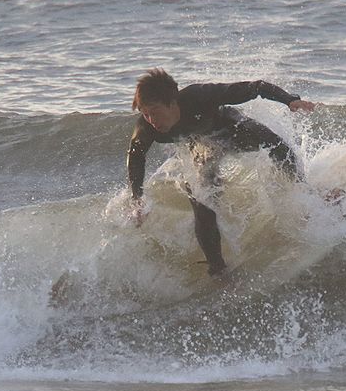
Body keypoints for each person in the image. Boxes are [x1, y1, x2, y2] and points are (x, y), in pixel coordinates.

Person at [127, 68, 315, 276]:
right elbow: (136, 157)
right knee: (201, 200)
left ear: (172, 102)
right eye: (145, 114)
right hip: (202, 146)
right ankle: (217, 269)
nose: (151, 120)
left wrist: (289, 100)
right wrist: (137, 198)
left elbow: (257, 87)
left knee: (273, 143)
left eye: (155, 112)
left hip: (231, 129)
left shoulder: (199, 96)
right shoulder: (146, 128)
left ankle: (308, 194)